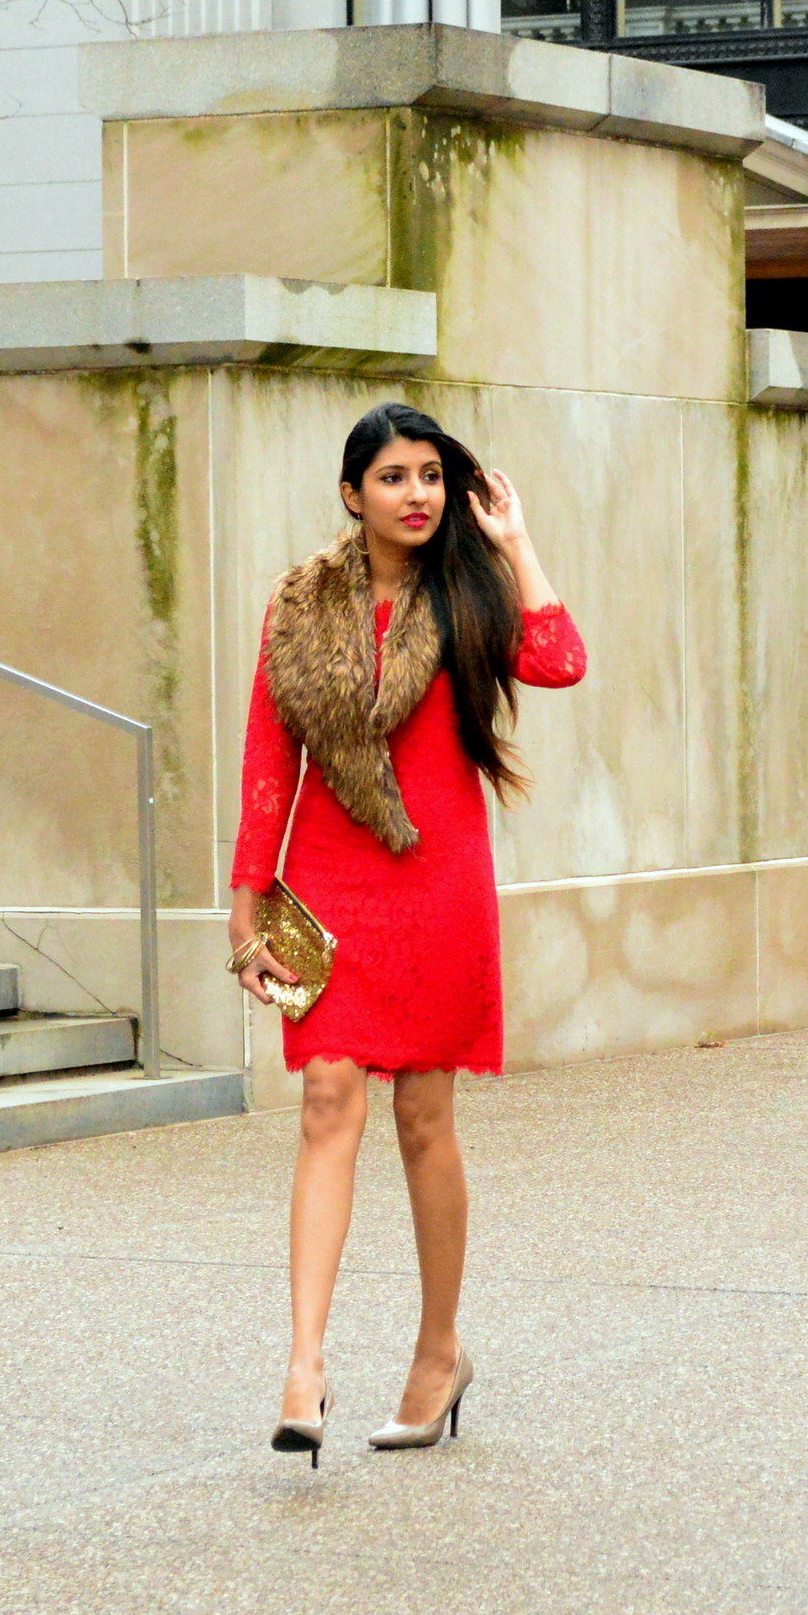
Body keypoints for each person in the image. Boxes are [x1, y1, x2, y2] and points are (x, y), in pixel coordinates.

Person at [228, 402, 586, 1467]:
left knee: (424, 1117)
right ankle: (304, 1366)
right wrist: (245, 905)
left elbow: (561, 661)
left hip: (438, 885)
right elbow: (267, 759)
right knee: (325, 1099)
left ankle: (438, 1354)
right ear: (353, 494)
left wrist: (515, 544)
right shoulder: (299, 606)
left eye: (432, 475)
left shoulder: (470, 598)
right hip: (327, 884)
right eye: (394, 477)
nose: (418, 494)